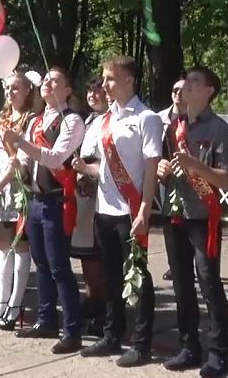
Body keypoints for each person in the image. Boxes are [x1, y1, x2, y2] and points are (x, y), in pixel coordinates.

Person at [73, 57, 161, 367]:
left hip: (131, 209)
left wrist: (146, 209)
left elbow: (151, 167)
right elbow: (106, 167)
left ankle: (141, 342)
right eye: (104, 78)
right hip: (104, 209)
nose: (105, 84)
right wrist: (86, 168)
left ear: (129, 80)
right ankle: (112, 334)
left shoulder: (146, 118)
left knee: (137, 277)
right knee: (110, 276)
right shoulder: (105, 120)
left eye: (111, 78)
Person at [158, 67, 228, 376]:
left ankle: (218, 352)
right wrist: (164, 168)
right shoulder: (173, 127)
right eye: (185, 81)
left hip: (203, 217)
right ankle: (189, 345)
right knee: (181, 284)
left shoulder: (220, 131)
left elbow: (226, 179)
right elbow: (166, 165)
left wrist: (193, 165)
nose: (186, 87)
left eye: (194, 83)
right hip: (175, 213)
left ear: (209, 92)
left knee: (209, 283)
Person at [5, 67, 84, 355]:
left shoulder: (72, 121)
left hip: (57, 199)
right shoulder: (37, 120)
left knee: (59, 266)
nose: (48, 84)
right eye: (46, 80)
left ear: (67, 91)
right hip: (36, 200)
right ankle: (47, 319)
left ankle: (72, 329)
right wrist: (17, 160)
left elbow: (56, 157)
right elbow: (27, 159)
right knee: (41, 262)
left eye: (55, 81)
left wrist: (22, 143)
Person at [0, 72, 36, 330]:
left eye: (16, 88)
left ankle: (16, 304)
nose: (10, 92)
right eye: (7, 88)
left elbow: (19, 163)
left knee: (19, 247)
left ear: (27, 90)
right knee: (3, 248)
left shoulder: (30, 120)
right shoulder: (3, 119)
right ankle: (2, 302)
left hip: (16, 188)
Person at [71, 76, 108, 335]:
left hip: (101, 193)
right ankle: (91, 300)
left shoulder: (110, 120)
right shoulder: (88, 120)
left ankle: (101, 306)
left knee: (99, 256)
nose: (93, 95)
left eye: (98, 91)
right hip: (84, 192)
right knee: (87, 255)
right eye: (90, 91)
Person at [157, 78, 186, 282]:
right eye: (175, 89)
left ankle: (188, 267)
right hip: (165, 178)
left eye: (183, 90)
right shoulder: (158, 119)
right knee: (170, 224)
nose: (178, 93)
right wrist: (159, 163)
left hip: (191, 180)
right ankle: (173, 265)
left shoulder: (194, 119)